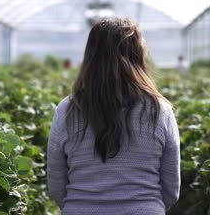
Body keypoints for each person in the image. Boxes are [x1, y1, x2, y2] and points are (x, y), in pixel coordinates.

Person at [47, 18, 180, 214]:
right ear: (138, 56)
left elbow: (57, 184)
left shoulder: (67, 110)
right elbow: (171, 189)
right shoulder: (159, 110)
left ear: (91, 56)